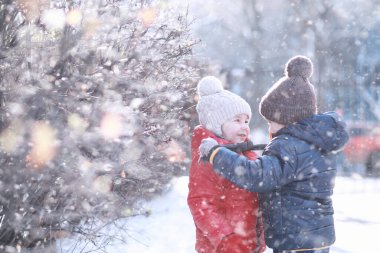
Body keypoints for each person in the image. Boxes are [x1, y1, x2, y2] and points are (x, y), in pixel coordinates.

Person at [199, 56, 349, 253]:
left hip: (295, 239)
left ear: (285, 118)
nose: (269, 126)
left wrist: (215, 153)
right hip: (316, 237)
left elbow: (258, 175)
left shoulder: (287, 145)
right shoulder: (317, 143)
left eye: (271, 121)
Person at [187, 76, 266, 253]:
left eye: (246, 121)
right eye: (237, 120)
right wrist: (225, 239)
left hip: (248, 245)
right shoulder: (209, 158)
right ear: (217, 125)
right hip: (222, 248)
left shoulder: (248, 154)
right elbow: (200, 203)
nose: (244, 126)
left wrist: (260, 235)